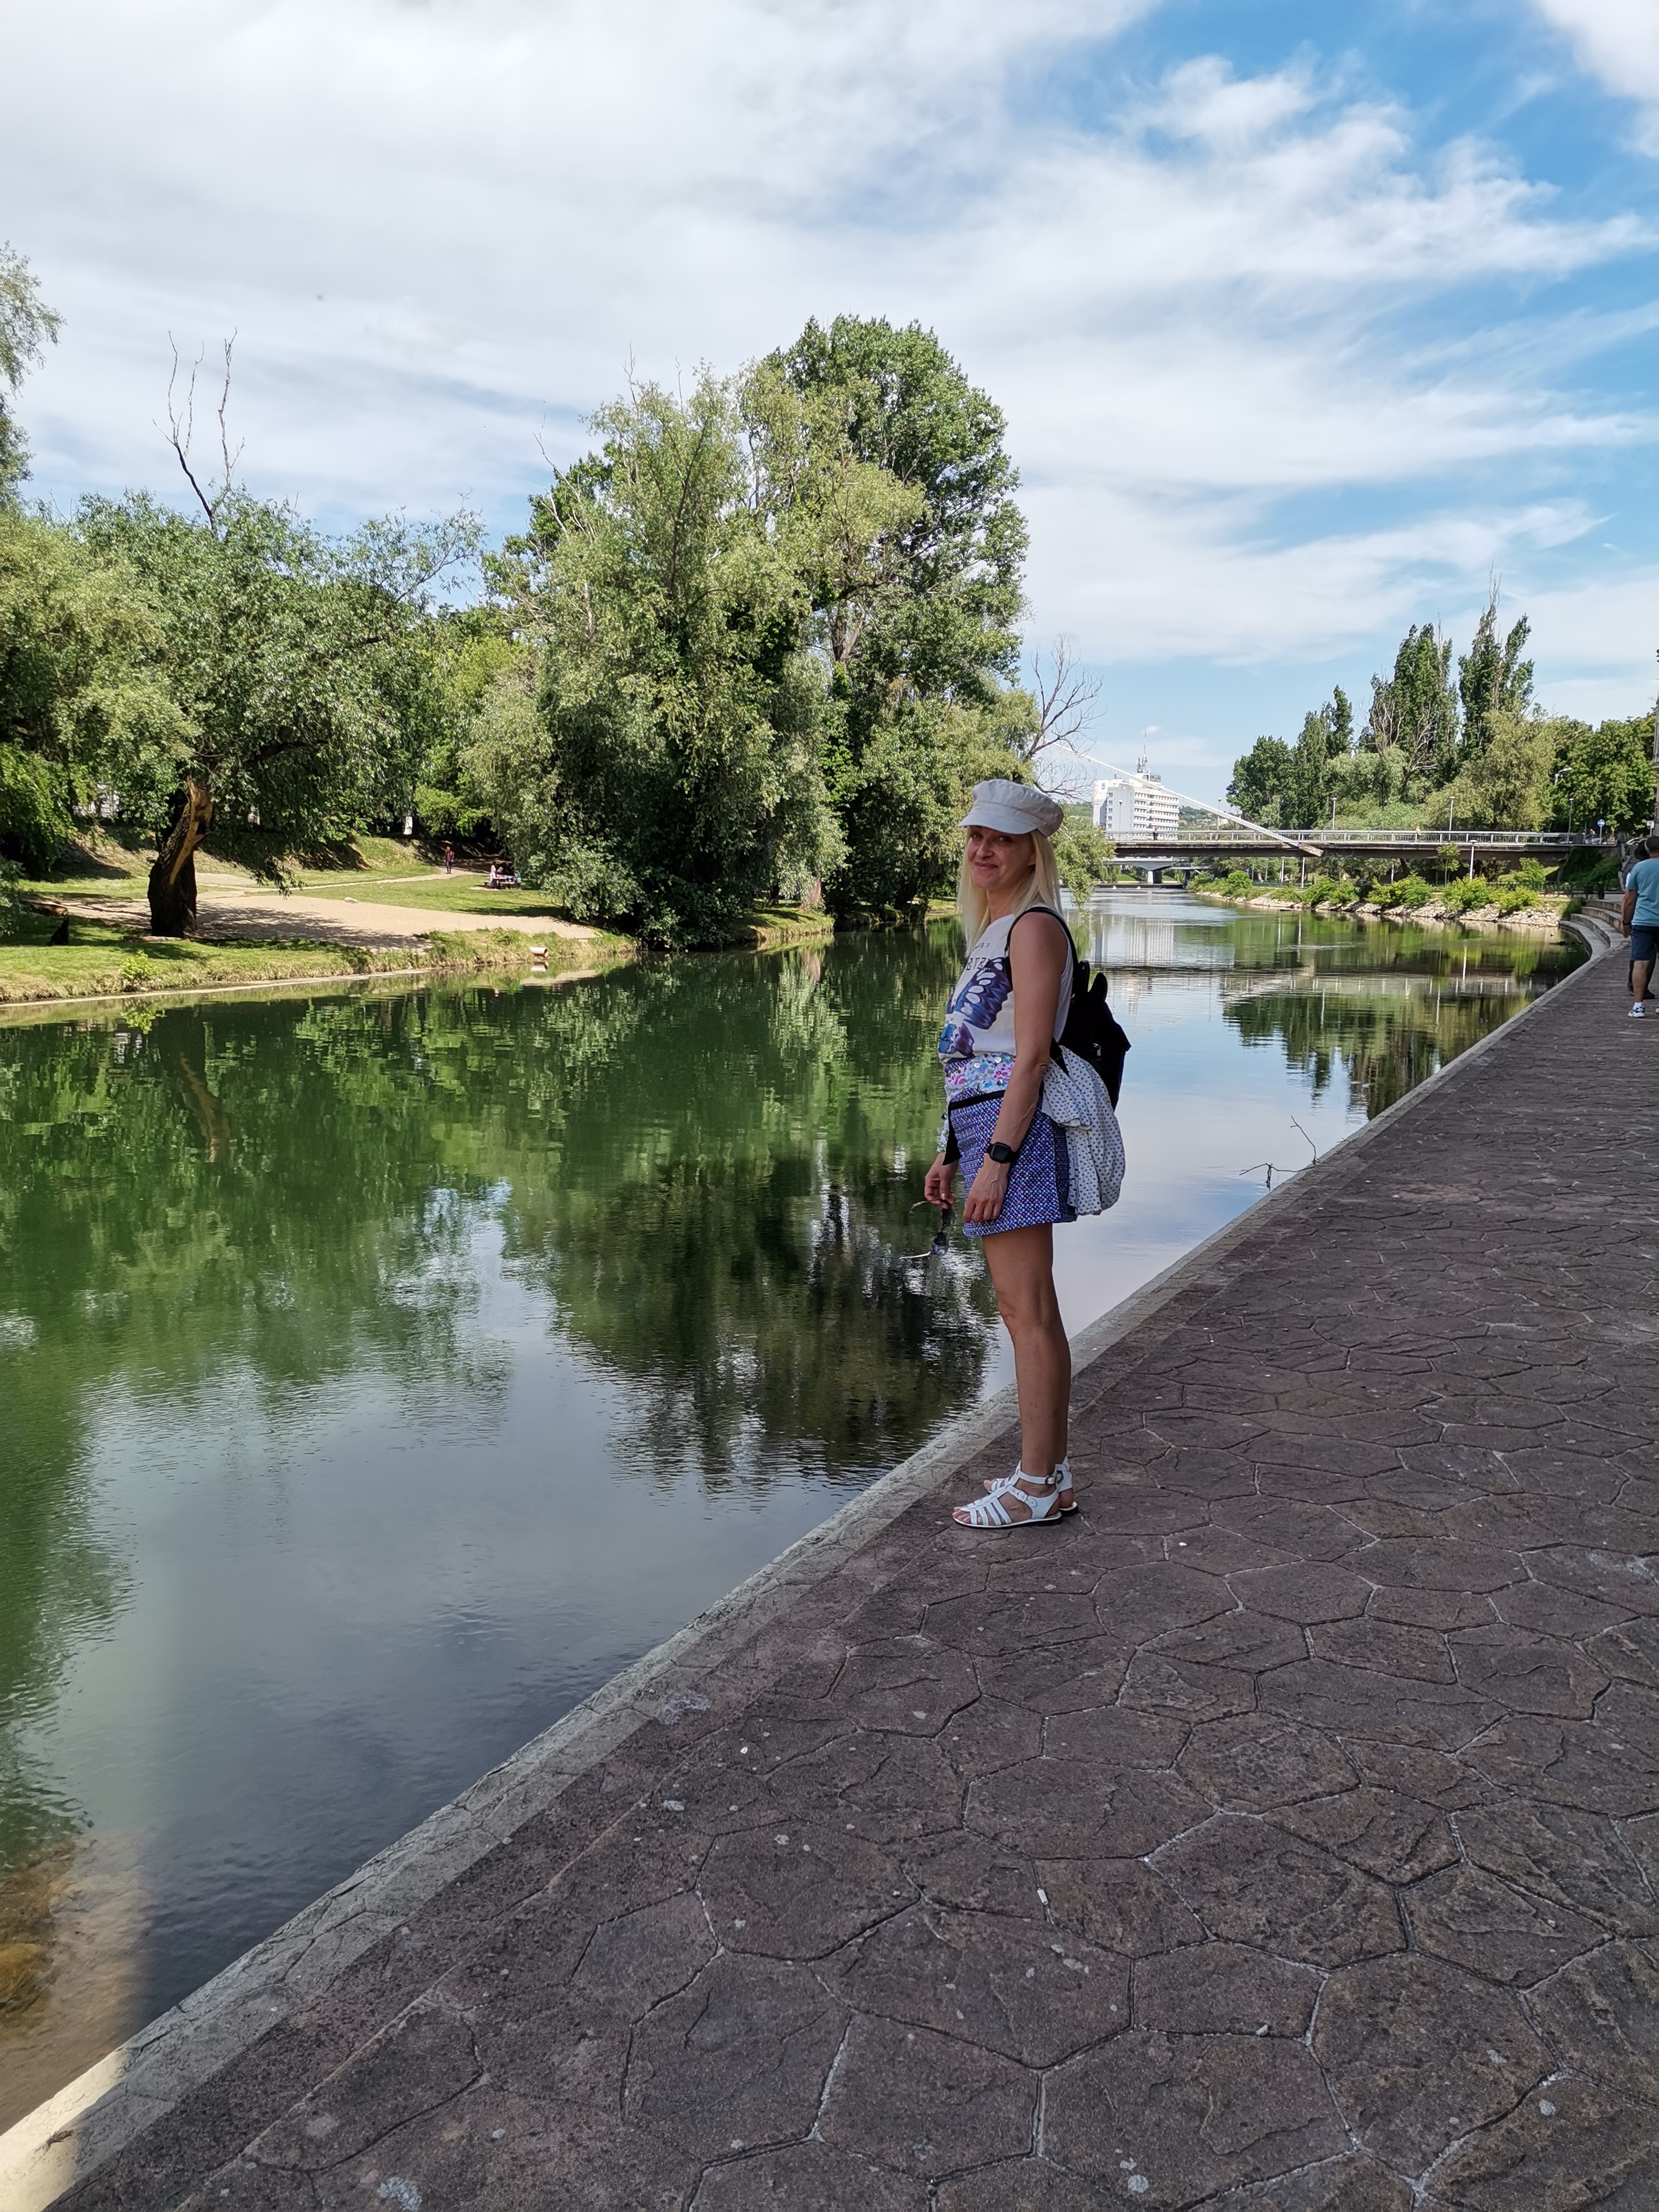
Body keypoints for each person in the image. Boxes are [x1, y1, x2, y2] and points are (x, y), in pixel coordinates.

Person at [925, 780, 1078, 1528]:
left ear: (1031, 852)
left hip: (1011, 1132)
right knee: (1029, 1310)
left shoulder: (1032, 928)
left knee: (1027, 1313)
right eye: (977, 837)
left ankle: (1037, 1486)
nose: (984, 850)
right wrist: (951, 1150)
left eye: (1003, 840)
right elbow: (972, 1053)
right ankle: (1046, 1468)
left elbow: (1030, 1059)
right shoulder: (996, 926)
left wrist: (998, 1159)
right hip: (982, 1126)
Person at [1621, 831, 1659, 1017]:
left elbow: (1629, 900)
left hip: (1643, 921)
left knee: (1641, 963)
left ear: (1647, 850)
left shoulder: (1639, 869)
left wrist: (1626, 922)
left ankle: (1638, 1006)